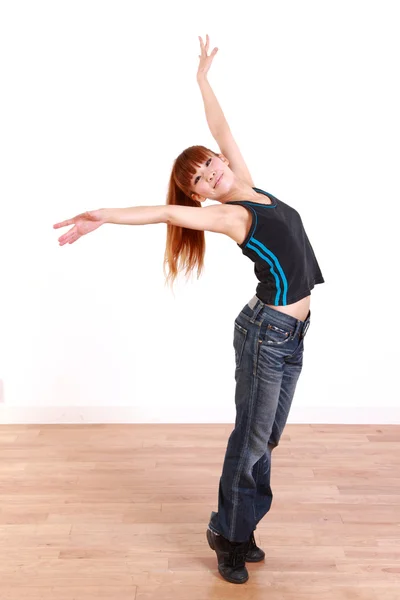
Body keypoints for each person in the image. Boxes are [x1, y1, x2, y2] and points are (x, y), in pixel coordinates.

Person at [53, 35, 325, 585]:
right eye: (200, 179)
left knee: (266, 437)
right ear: (200, 196)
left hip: (290, 333)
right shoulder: (228, 215)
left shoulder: (246, 182)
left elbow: (221, 127)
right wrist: (101, 215)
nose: (211, 173)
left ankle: (240, 528)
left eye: (209, 164)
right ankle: (228, 534)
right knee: (251, 436)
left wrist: (202, 79)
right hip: (267, 333)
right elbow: (160, 212)